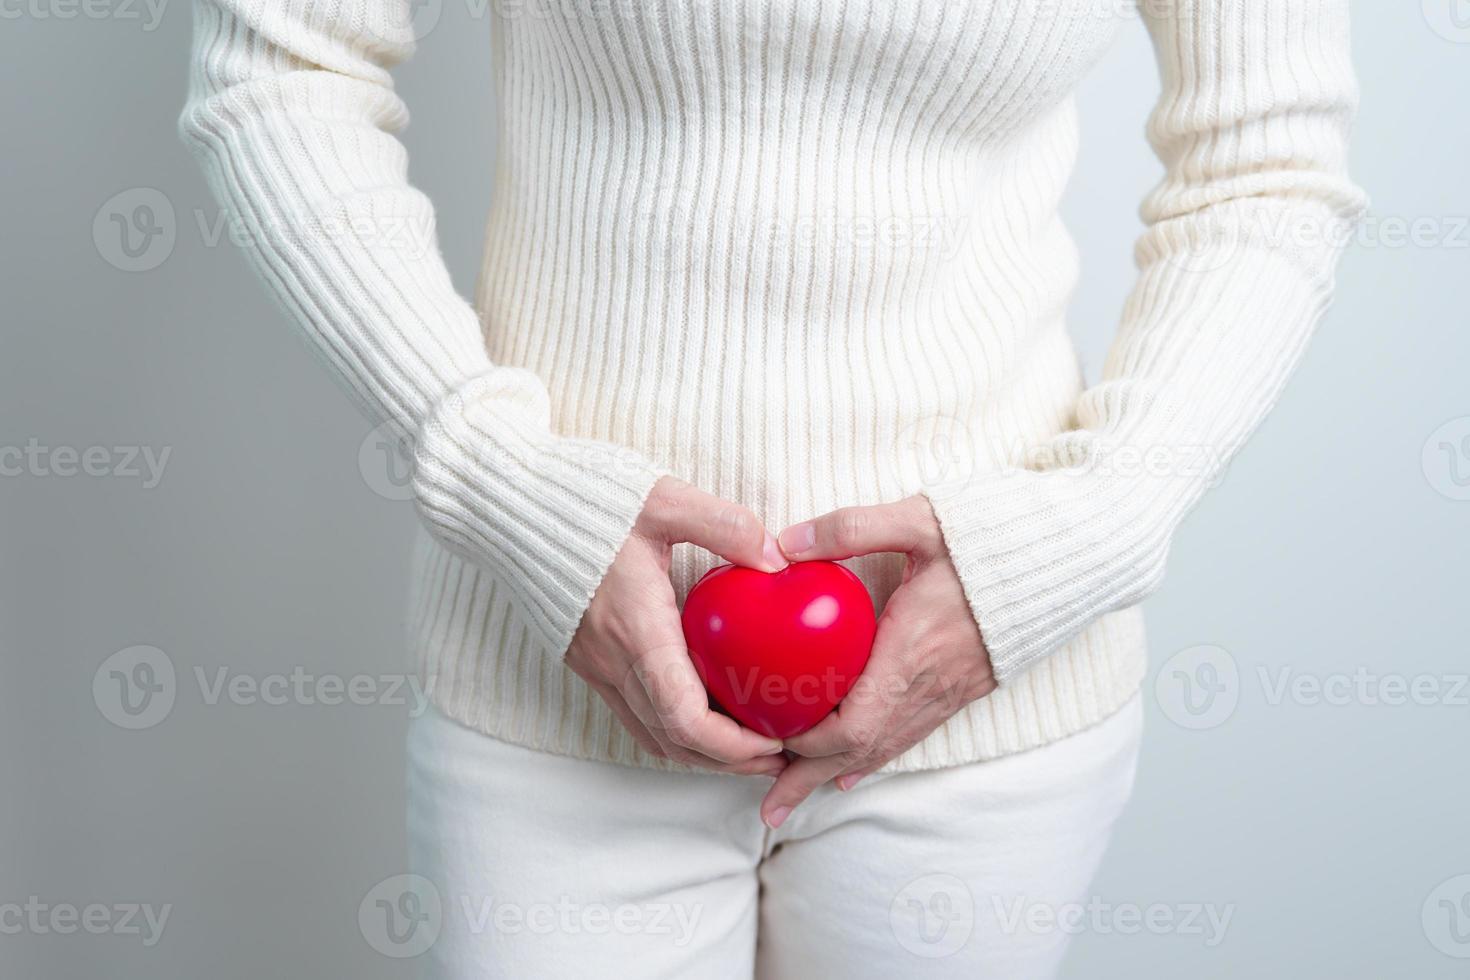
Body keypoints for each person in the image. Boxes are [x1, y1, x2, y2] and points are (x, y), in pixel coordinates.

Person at [180, 1, 1364, 975]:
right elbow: (283, 67)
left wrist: (1078, 540)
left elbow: (1267, 162)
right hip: (556, 675)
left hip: (993, 689)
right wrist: (509, 488)